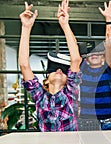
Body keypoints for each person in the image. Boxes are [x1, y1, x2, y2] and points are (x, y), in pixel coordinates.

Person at [19, 0, 82, 132]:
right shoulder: (39, 96)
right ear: (46, 80)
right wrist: (26, 28)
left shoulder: (70, 93)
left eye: (63, 71)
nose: (59, 70)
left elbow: (76, 59)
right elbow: (24, 66)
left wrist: (65, 25)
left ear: (67, 80)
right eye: (54, 69)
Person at [78, 0, 111, 130]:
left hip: (105, 119)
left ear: (104, 57)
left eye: (99, 53)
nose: (94, 55)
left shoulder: (106, 69)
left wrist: (109, 20)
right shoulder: (83, 69)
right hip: (86, 119)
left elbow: (110, 45)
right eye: (91, 53)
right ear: (86, 59)